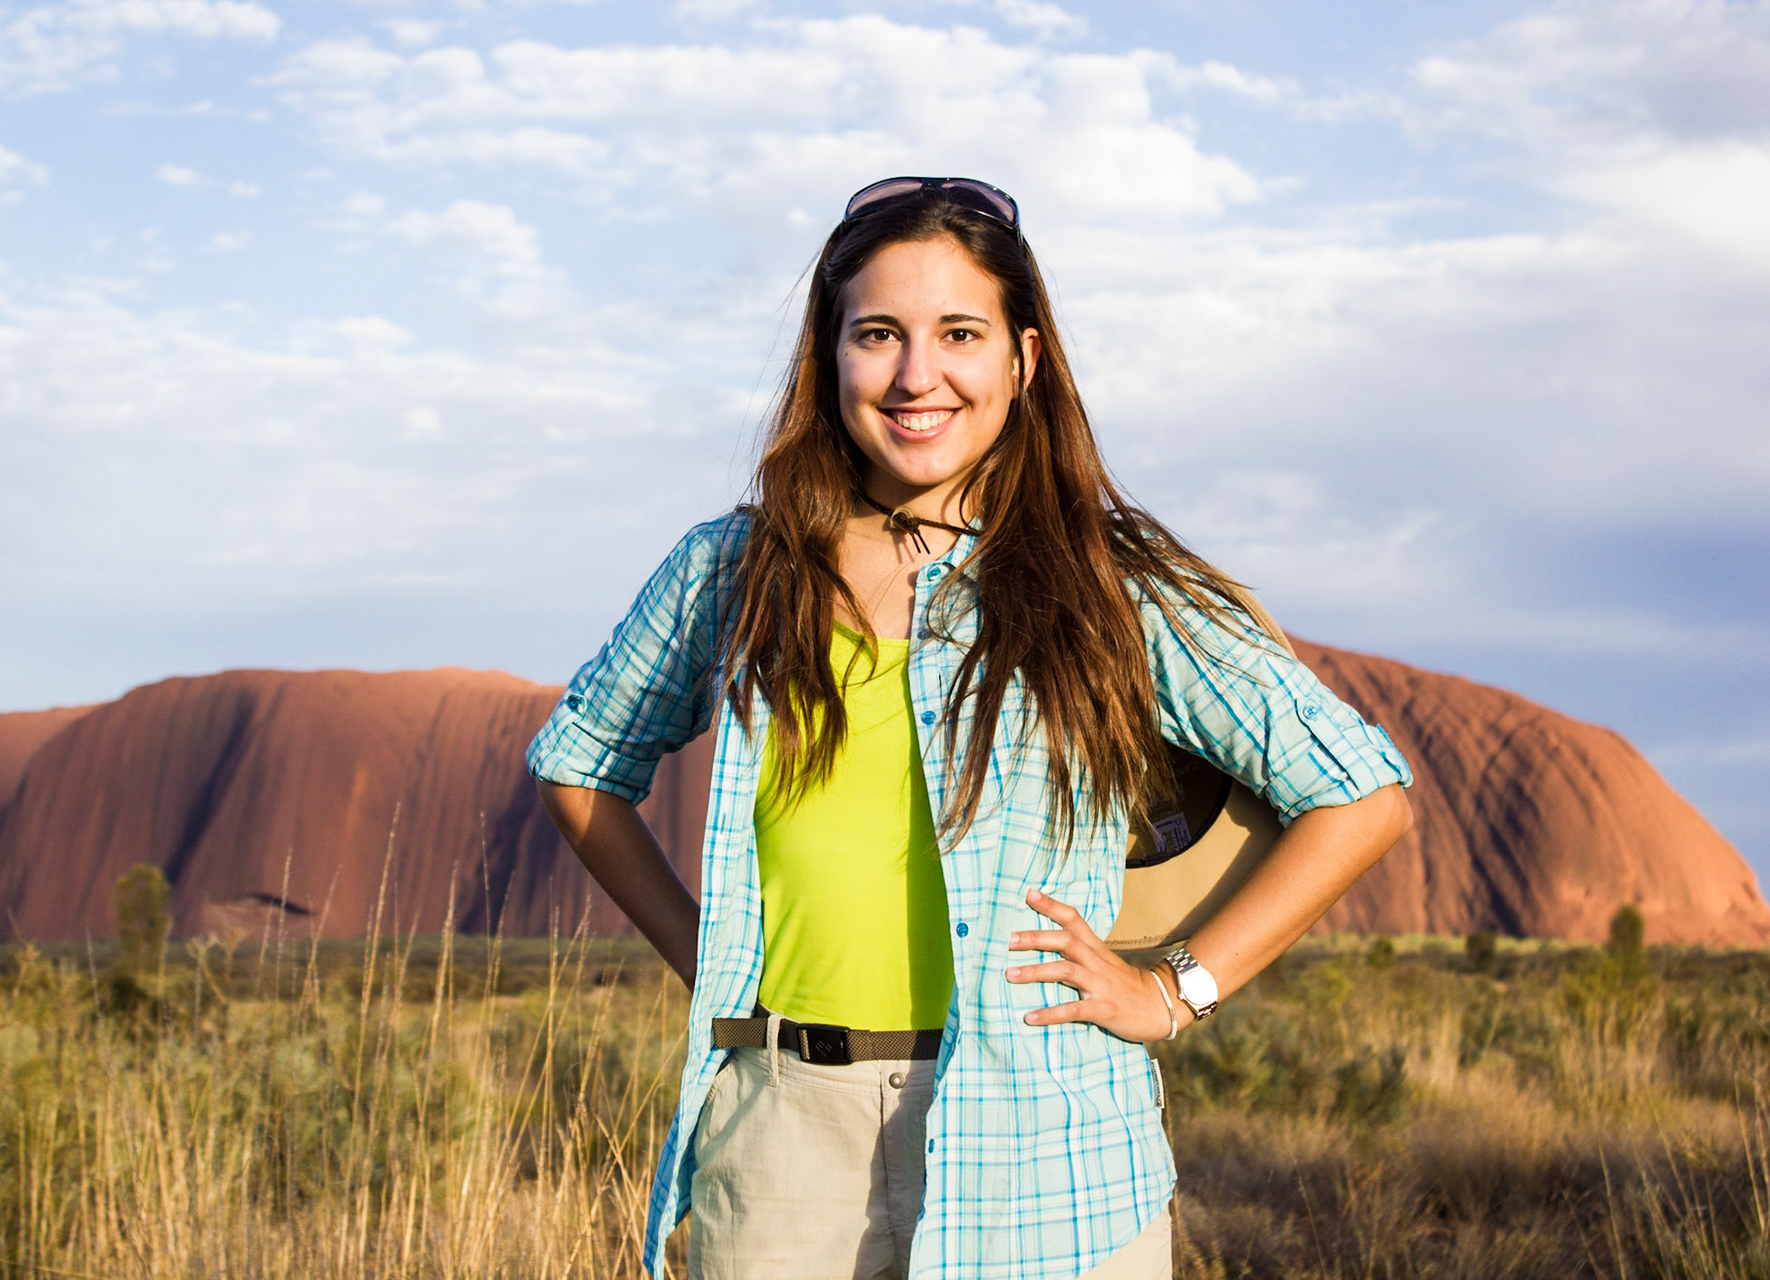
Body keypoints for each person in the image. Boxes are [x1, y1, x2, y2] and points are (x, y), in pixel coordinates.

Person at [527, 176, 1414, 1280]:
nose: (917, 375)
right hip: (785, 1144)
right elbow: (578, 762)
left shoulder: (1109, 585)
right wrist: (707, 956)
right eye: (878, 334)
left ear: (1022, 359)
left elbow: (1361, 794)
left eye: (959, 333)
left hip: (1048, 1142)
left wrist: (1175, 989)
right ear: (829, 354)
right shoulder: (735, 569)